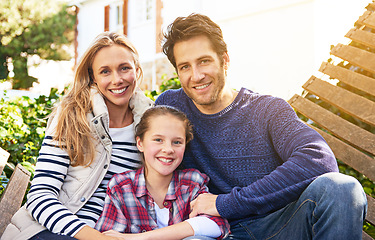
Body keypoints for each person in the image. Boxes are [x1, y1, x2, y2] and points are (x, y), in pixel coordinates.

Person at [155, 13, 368, 239]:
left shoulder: (267, 110)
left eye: (204, 61)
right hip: (213, 232)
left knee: (342, 188)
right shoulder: (170, 107)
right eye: (185, 67)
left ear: (225, 60)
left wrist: (226, 203)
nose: (196, 76)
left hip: (279, 227)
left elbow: (318, 159)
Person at [1, 32, 154, 240]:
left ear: (136, 70)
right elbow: (40, 196)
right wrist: (96, 238)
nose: (117, 79)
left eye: (124, 68)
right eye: (105, 71)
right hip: (50, 231)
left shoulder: (150, 124)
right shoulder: (72, 117)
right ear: (93, 77)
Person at [94, 105, 230, 240]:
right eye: (158, 140)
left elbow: (216, 225)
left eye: (177, 142)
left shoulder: (192, 182)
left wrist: (139, 238)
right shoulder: (122, 186)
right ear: (140, 143)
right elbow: (110, 235)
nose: (168, 149)